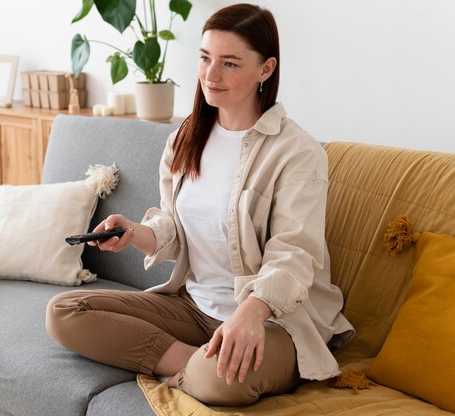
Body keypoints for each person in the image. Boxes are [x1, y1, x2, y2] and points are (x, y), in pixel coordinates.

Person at [46, 3, 355, 406]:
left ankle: (202, 368)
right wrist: (136, 233)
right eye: (205, 58)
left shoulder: (297, 152)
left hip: (275, 322)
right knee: (64, 312)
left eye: (229, 63)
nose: (210, 74)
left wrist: (251, 313)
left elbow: (295, 254)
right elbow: (176, 225)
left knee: (218, 382)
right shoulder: (185, 138)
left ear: (266, 69)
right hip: (195, 309)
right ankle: (194, 362)